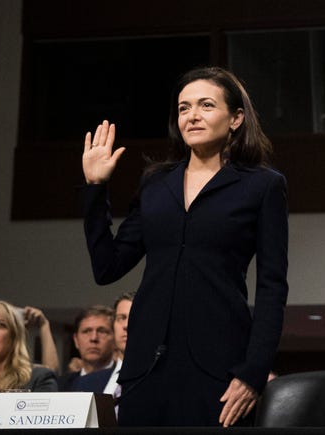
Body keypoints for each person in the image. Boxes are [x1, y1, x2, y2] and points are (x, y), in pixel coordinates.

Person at [81, 66, 288, 427]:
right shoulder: (155, 184)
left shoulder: (263, 186)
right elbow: (108, 267)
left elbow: (273, 286)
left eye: (206, 105)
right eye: (183, 108)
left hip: (220, 370)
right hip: (146, 368)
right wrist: (95, 189)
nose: (192, 116)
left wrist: (253, 372)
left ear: (236, 118)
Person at [79, 292, 133, 396]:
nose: (126, 325)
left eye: (134, 317)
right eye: (121, 318)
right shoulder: (86, 382)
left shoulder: (161, 380)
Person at [56, 305, 115, 391]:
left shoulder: (121, 383)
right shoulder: (61, 385)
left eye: (102, 331)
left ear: (114, 338)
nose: (93, 338)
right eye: (86, 331)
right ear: (76, 340)